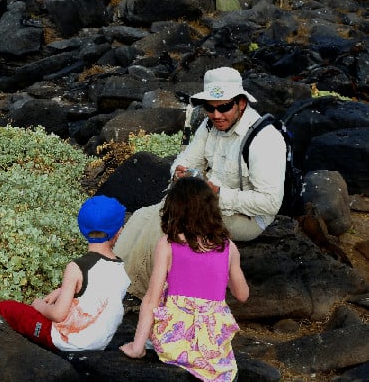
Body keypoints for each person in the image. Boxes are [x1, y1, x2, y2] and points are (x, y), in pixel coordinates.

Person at [114, 66, 286, 299]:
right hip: (207, 202)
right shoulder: (209, 126)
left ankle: (147, 293)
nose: (216, 115)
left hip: (247, 217)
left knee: (166, 223)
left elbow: (270, 203)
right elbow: (183, 161)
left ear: (241, 103)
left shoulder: (265, 140)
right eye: (209, 108)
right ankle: (114, 276)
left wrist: (217, 194)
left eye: (224, 107)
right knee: (142, 215)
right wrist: (179, 173)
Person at [120, 177, 249, 382]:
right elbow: (242, 295)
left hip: (174, 341)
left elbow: (151, 300)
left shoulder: (168, 244)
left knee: (160, 292)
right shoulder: (229, 248)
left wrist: (137, 347)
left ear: (174, 209)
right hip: (212, 345)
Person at [0, 195, 131, 351]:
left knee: (4, 307)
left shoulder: (76, 267)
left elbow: (58, 315)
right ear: (119, 230)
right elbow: (98, 290)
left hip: (67, 341)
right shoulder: (121, 268)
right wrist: (64, 290)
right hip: (100, 341)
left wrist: (38, 305)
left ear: (82, 228)